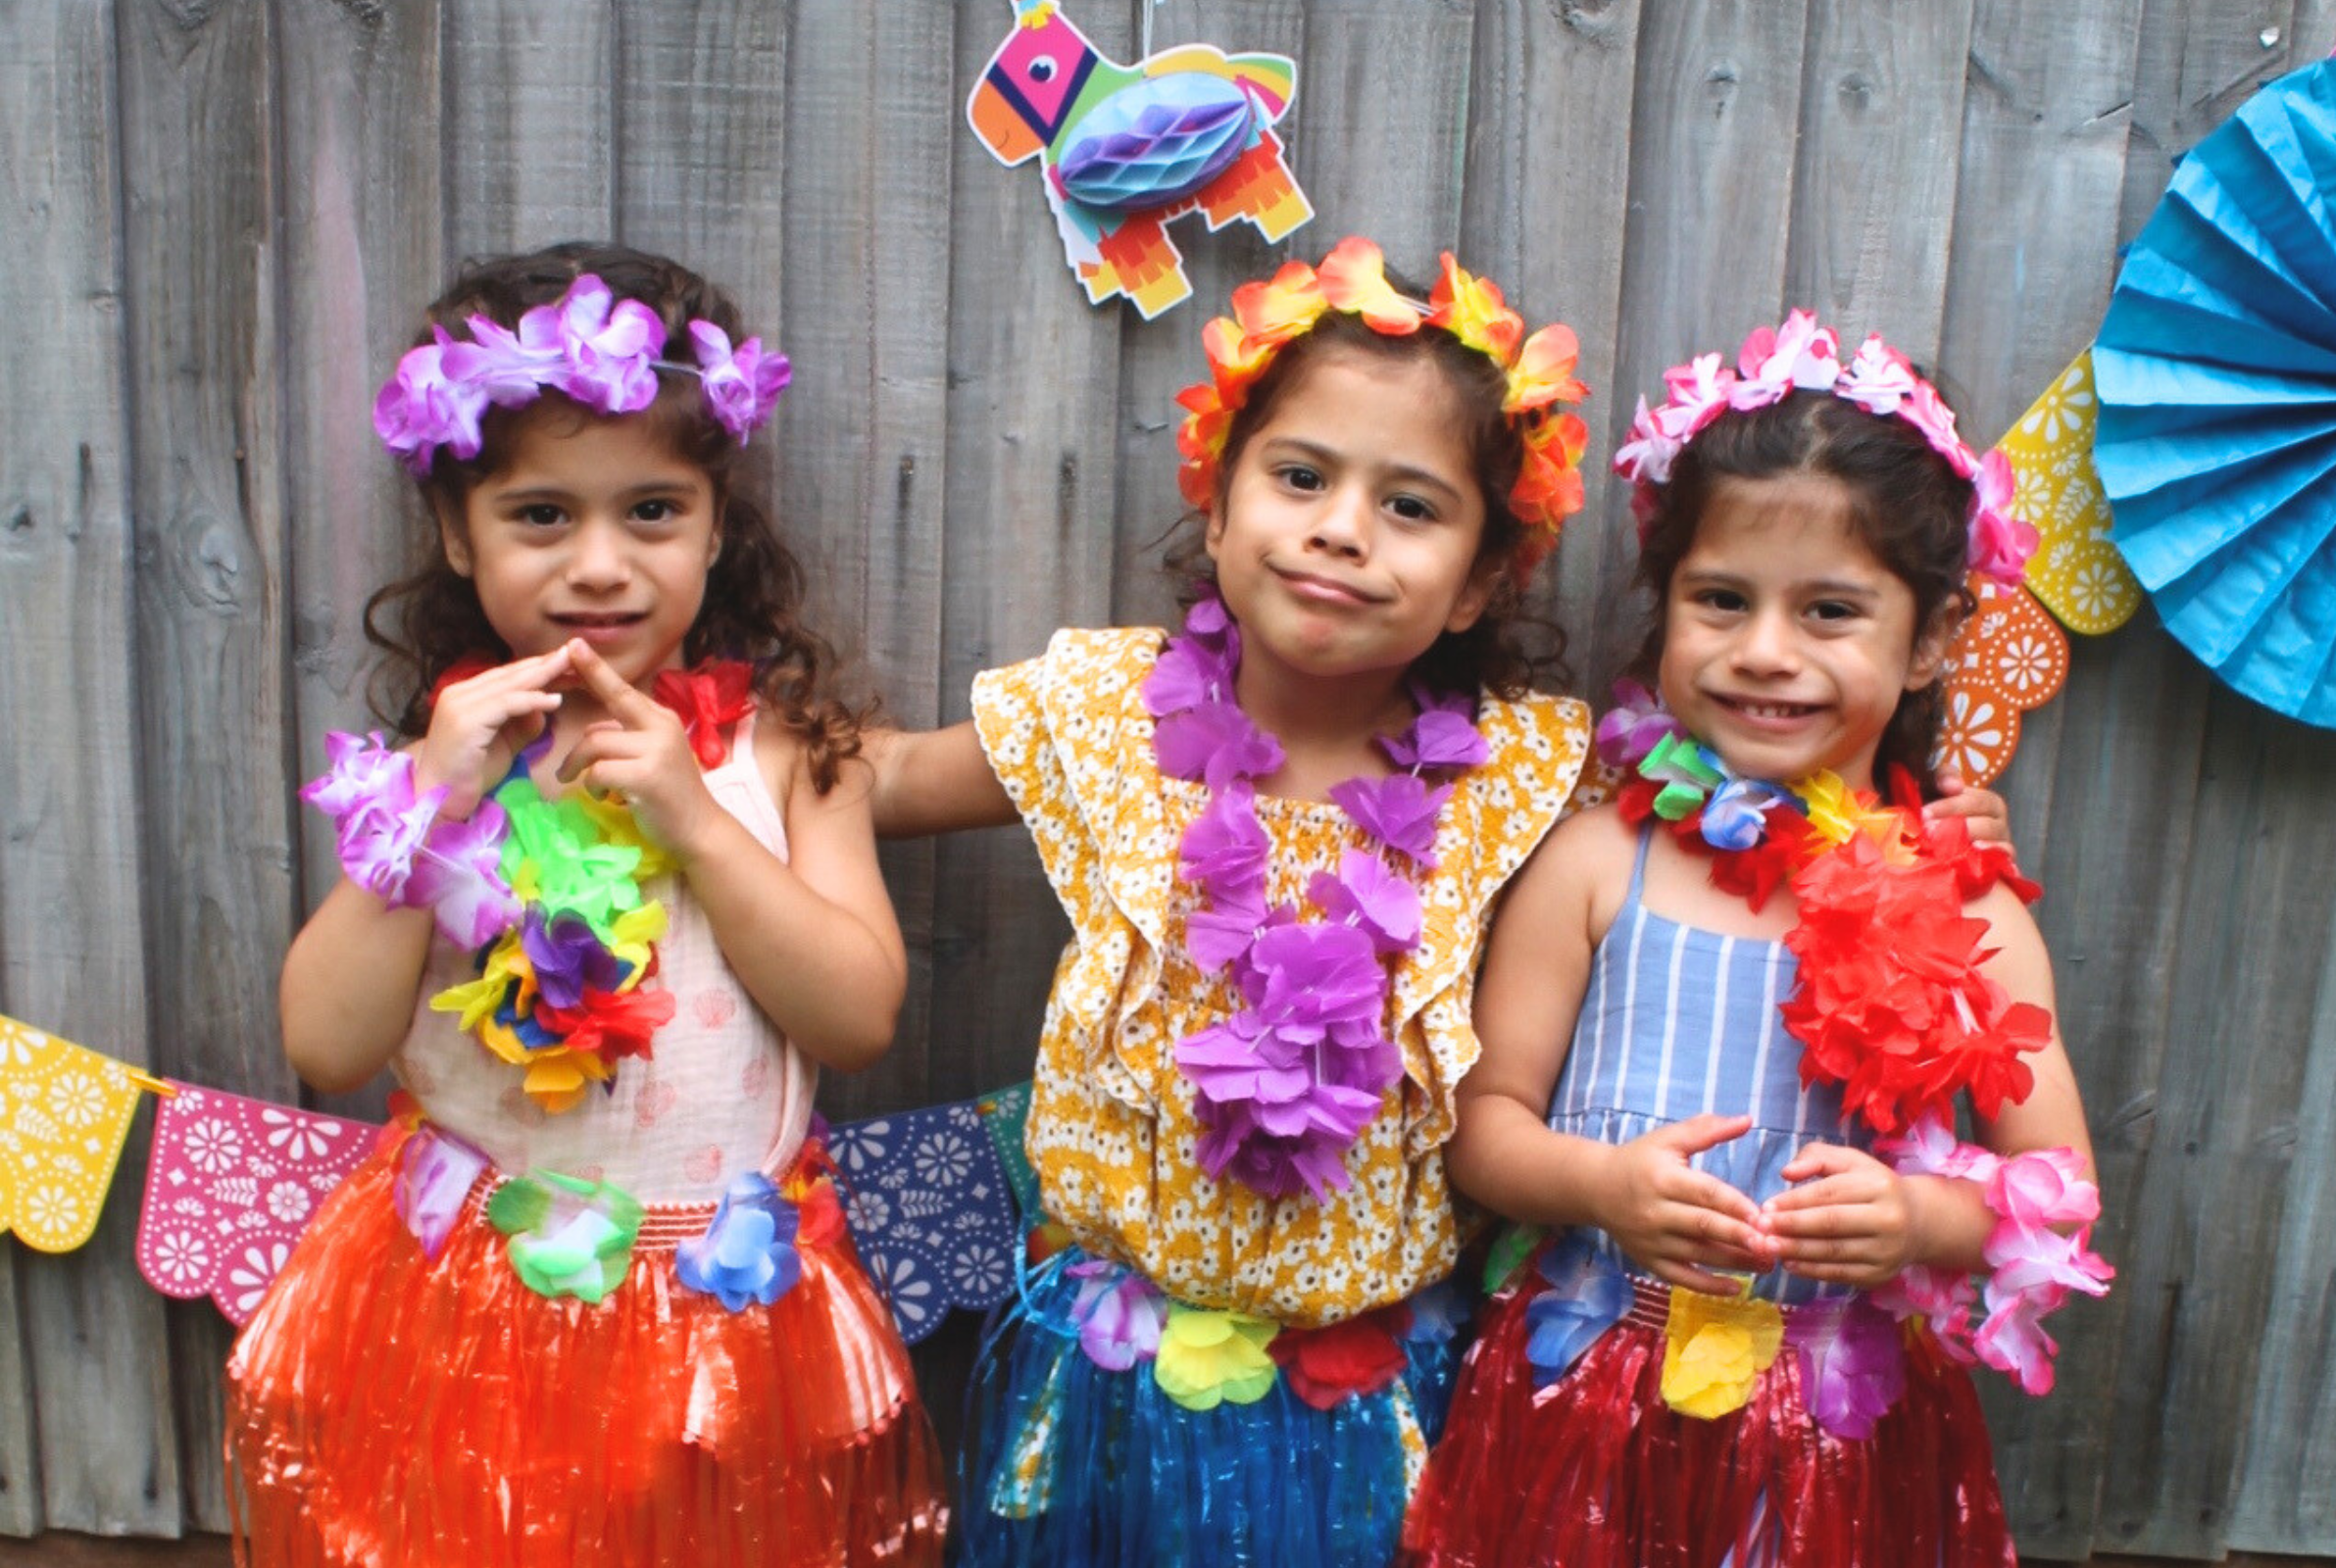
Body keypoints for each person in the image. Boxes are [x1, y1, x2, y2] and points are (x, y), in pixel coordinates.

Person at [868, 236, 1600, 1567]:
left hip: (1361, 1396)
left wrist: (1918, 825)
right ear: (1217, 504)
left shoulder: (1520, 776)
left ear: (1485, 580)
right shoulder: (1102, 718)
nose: (1340, 530)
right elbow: (886, 777)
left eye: (1413, 508)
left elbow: (1705, 832)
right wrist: (684, 742)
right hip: (1107, 1375)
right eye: (1302, 476)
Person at [225, 242, 945, 1567]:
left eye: (653, 512)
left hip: (719, 1316)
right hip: (470, 1307)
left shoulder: (789, 754)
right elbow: (325, 1044)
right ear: (459, 531)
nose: (600, 565)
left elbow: (856, 1019)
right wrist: (427, 805)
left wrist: (700, 830)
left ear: (718, 523)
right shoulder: (434, 771)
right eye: (542, 515)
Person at [1403, 313, 2108, 1568]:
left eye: (1831, 609)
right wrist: (1599, 1188)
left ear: (1935, 637)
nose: (1765, 651)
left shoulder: (1969, 907)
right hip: (1588, 1398)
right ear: (1664, 604)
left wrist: (1918, 1217)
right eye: (1720, 599)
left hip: (1836, 1436)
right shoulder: (1596, 862)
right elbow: (1481, 1124)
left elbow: (2057, 1186)